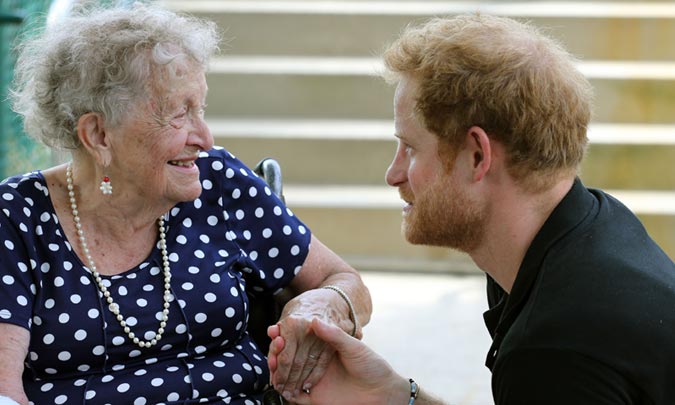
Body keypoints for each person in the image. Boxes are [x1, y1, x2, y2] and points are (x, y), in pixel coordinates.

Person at [267, 13, 675, 404]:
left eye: (410, 147)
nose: (393, 175)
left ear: (478, 156)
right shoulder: (593, 224)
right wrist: (393, 396)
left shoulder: (555, 347)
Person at [0, 3, 371, 405]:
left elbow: (343, 280)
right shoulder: (16, 219)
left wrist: (324, 302)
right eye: (180, 114)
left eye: (201, 109)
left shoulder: (219, 183)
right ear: (98, 135)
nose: (205, 138)